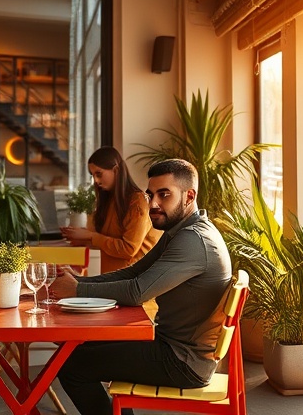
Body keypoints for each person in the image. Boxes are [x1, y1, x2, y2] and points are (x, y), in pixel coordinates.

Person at [52, 158, 232, 415]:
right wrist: (79, 281)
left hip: (183, 361)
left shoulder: (193, 241)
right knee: (80, 346)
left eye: (164, 194)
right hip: (171, 346)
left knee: (71, 365)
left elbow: (138, 291)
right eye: (151, 194)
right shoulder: (179, 231)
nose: (154, 203)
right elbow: (135, 271)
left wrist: (78, 291)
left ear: (189, 195)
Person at [59, 146, 162, 273]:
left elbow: (128, 249)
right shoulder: (108, 200)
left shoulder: (138, 201)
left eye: (99, 174)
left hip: (133, 283)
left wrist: (90, 236)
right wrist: (80, 237)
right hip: (110, 280)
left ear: (116, 170)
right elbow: (106, 242)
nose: (96, 181)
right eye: (93, 175)